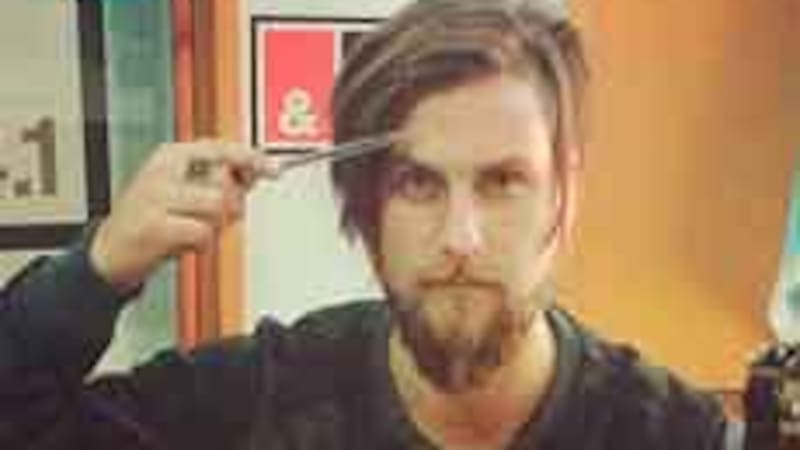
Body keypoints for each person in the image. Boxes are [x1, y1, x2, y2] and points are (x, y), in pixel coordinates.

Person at [1, 0, 729, 448]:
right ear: (365, 208)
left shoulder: (674, 435)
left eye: (503, 182)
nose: (461, 237)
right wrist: (99, 268)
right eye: (418, 184)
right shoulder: (258, 401)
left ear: (564, 197)